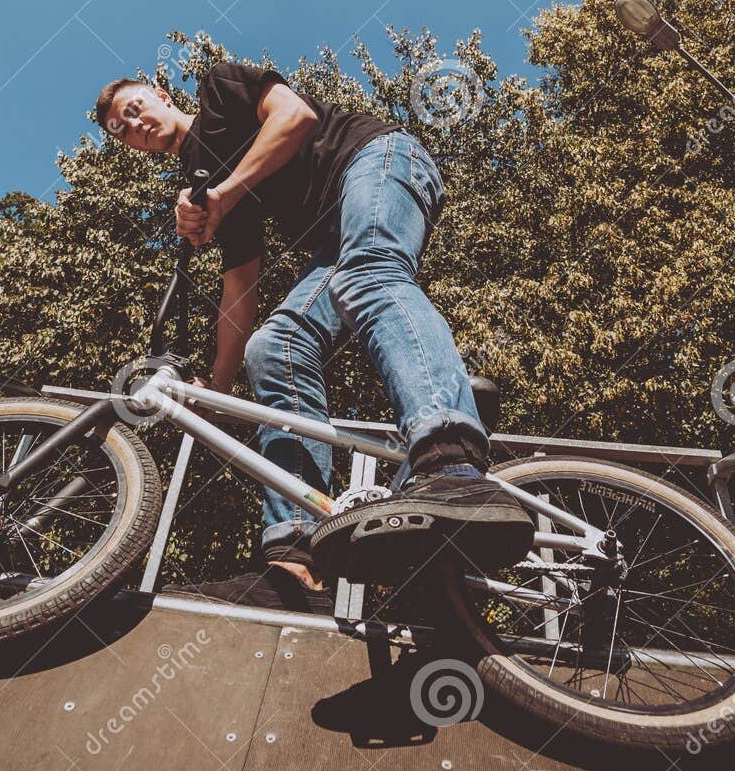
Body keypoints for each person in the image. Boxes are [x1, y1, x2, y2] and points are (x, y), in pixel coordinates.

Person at [95, 62, 531, 610]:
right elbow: (240, 291)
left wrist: (222, 194)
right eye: (121, 129)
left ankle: (451, 457)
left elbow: (295, 117)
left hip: (377, 160)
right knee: (274, 348)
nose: (133, 125)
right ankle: (295, 559)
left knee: (370, 272)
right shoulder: (206, 182)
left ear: (162, 96)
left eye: (135, 109)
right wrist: (216, 394)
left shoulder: (219, 91)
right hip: (333, 244)